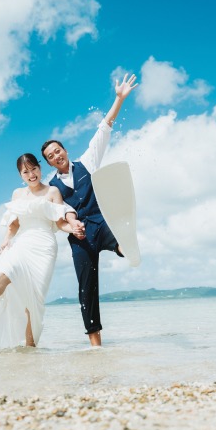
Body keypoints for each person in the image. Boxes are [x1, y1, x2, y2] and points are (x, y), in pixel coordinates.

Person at [42, 73, 138, 347]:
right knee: (87, 290)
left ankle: (127, 249)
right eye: (51, 156)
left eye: (58, 151)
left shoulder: (87, 162)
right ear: (49, 162)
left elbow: (105, 127)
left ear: (65, 150)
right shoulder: (52, 189)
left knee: (120, 241)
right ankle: (96, 345)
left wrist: (119, 99)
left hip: (102, 223)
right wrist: (73, 227)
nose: (56, 156)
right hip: (80, 238)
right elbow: (58, 216)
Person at [0, 153, 83, 351]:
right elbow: (14, 225)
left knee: (32, 302)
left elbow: (60, 222)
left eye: (33, 169)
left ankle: (30, 351)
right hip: (22, 244)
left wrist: (74, 229)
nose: (31, 175)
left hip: (44, 248)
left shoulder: (52, 191)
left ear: (39, 168)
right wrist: (5, 241)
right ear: (21, 175)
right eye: (25, 172)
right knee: (5, 270)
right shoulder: (17, 195)